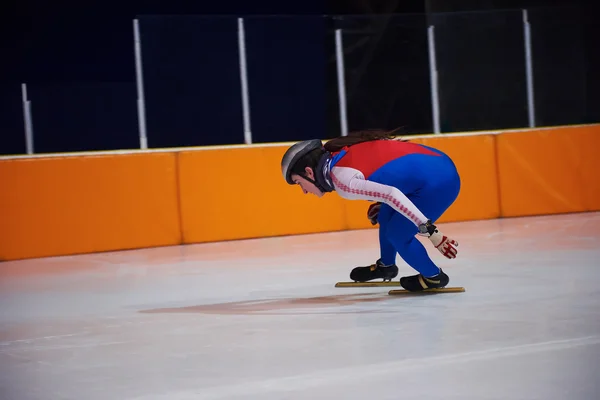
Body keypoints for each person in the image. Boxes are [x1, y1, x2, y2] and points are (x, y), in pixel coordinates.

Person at [280, 130, 461, 292]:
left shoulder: (343, 181)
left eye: (299, 183)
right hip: (438, 163)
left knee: (398, 234)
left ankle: (434, 277)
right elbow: (387, 172)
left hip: (439, 182)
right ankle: (387, 266)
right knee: (385, 214)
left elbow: (391, 193)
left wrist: (430, 231)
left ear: (309, 173)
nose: (304, 190)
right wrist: (383, 204)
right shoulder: (340, 153)